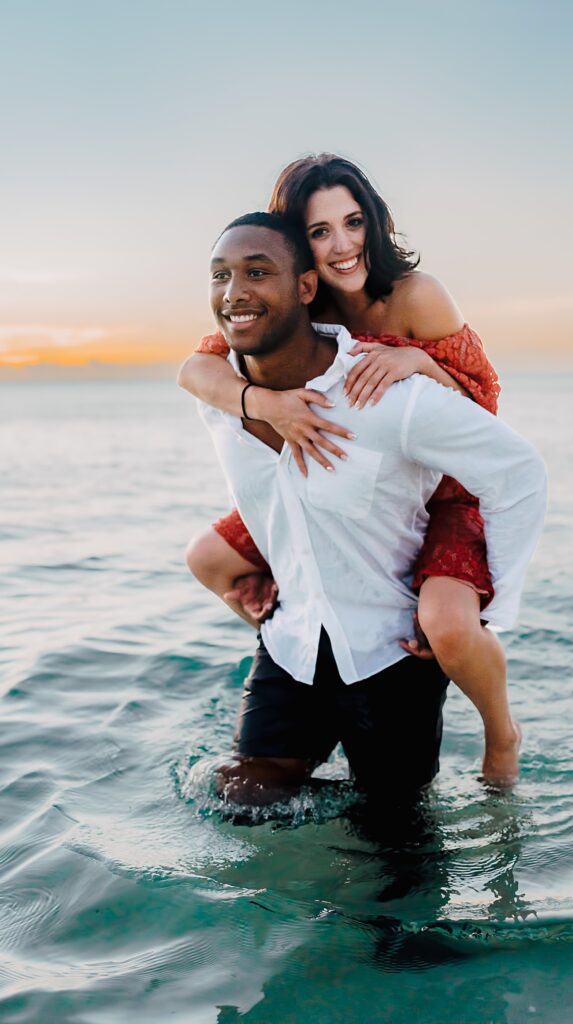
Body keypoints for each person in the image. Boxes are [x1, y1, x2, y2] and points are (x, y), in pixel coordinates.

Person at [179, 155, 518, 783]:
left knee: (444, 624)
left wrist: (419, 361)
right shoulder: (291, 306)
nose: (342, 246)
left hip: (441, 487)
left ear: (375, 222)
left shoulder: (415, 296)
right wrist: (267, 403)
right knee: (209, 558)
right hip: (342, 485)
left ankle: (501, 735)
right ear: (298, 254)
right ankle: (306, 627)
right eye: (319, 232)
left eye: (354, 222)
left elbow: (480, 413)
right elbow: (197, 367)